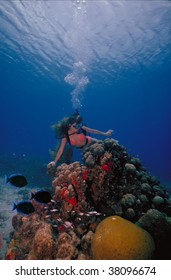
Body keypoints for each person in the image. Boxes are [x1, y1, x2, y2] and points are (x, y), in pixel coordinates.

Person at [47, 112, 113, 168]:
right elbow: (61, 149)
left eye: (80, 125)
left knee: (105, 148)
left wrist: (105, 133)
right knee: (93, 162)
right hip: (83, 150)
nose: (78, 128)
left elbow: (93, 131)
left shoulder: (81, 127)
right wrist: (55, 161)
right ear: (70, 125)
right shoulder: (65, 135)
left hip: (91, 141)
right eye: (76, 126)